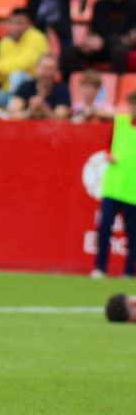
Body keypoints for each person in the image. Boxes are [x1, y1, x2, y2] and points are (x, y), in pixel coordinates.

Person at [92, 90, 136, 277]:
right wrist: (108, 155)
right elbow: (107, 142)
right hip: (113, 186)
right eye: (131, 104)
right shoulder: (120, 122)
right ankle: (100, 268)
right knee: (104, 228)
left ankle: (128, 271)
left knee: (132, 233)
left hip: (132, 189)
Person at [62, 0, 136, 76]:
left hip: (123, 45)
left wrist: (104, 41)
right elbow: (95, 30)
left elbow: (131, 36)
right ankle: (75, 86)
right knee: (70, 52)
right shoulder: (100, 4)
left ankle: (119, 87)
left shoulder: (133, 2)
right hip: (102, 45)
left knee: (118, 51)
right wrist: (89, 41)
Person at [0, 7, 49, 115]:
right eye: (12, 23)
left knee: (17, 76)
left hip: (32, 89)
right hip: (8, 91)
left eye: (20, 23)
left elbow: (24, 64)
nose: (15, 27)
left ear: (29, 25)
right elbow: (1, 78)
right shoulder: (4, 43)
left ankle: (10, 115)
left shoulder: (37, 37)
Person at [6, 52, 71, 119]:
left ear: (56, 71)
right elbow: (12, 114)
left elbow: (61, 119)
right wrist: (30, 111)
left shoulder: (62, 90)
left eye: (51, 69)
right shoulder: (25, 87)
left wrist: (44, 108)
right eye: (44, 68)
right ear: (37, 68)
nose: (47, 73)